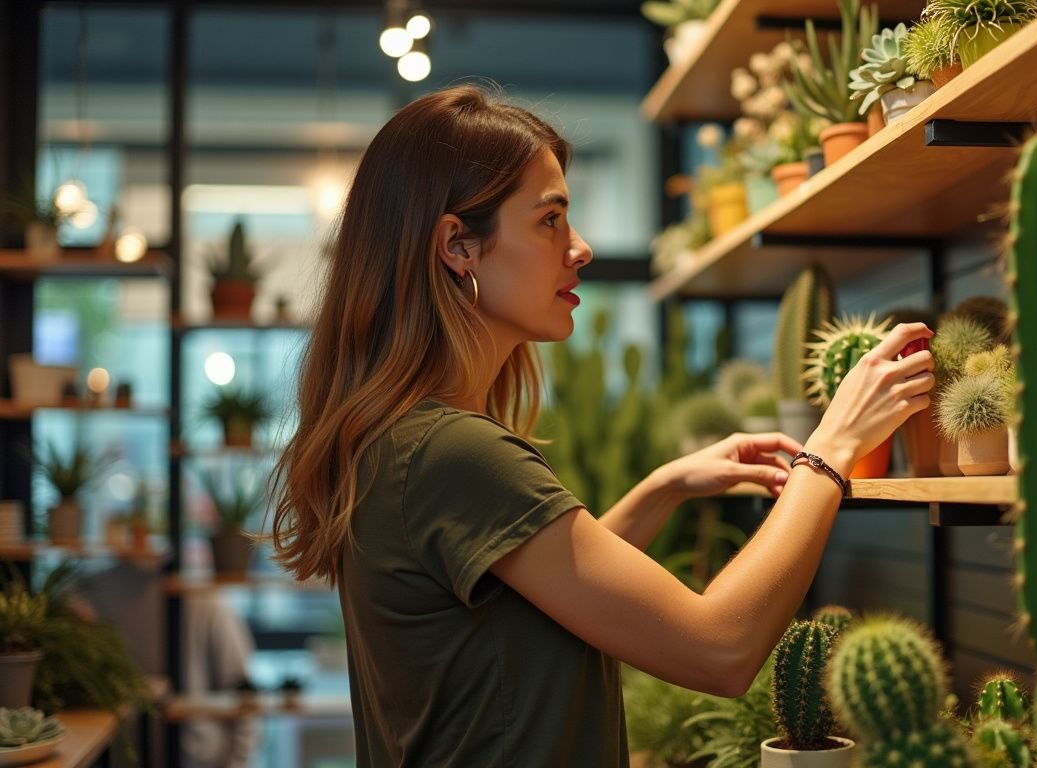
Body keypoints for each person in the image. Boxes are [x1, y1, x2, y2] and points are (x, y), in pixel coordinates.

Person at [269, 84, 935, 767]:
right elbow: (720, 649)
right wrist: (830, 450)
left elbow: (533, 608)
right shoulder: (453, 452)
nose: (580, 248)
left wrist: (660, 488)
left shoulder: (402, 439)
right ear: (457, 246)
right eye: (549, 220)